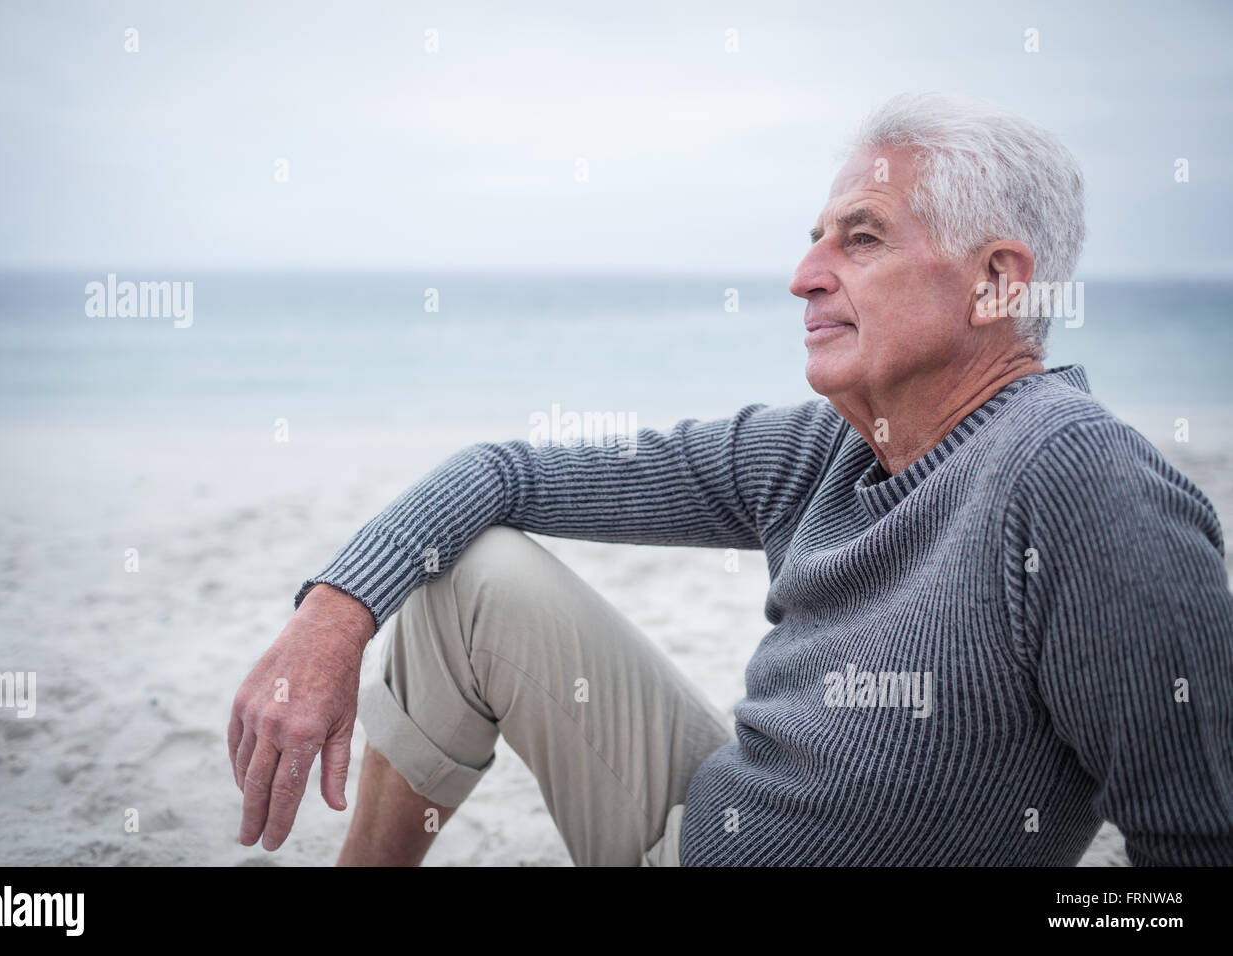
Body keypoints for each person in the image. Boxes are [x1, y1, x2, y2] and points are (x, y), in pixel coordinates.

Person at [228, 92, 1233, 866]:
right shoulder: (819, 449)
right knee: (467, 573)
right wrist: (335, 612)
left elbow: (1192, 843)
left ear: (997, 282)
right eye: (814, 238)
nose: (804, 275)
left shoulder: (1087, 485)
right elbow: (503, 472)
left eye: (862, 237)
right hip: (694, 834)